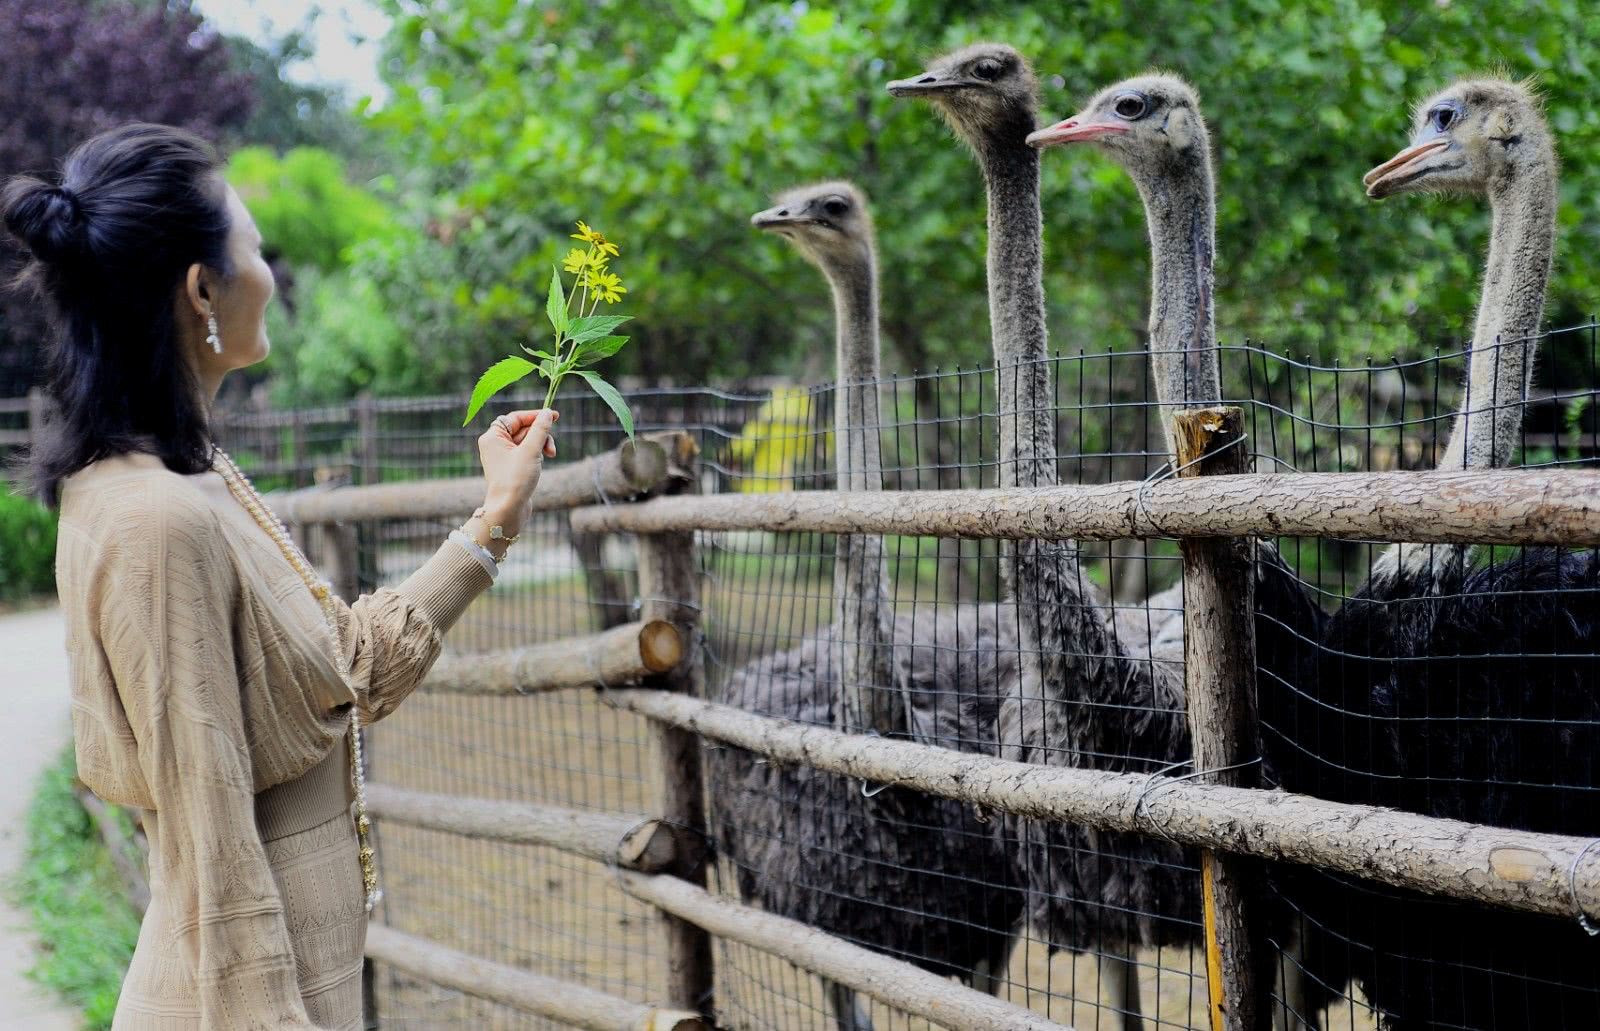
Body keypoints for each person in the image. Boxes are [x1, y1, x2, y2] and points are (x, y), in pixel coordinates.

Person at [2, 122, 557, 1029]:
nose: (272, 270)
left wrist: (495, 519)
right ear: (202, 289)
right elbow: (210, 842)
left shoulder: (194, 476)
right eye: (257, 248)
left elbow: (348, 668)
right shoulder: (157, 520)